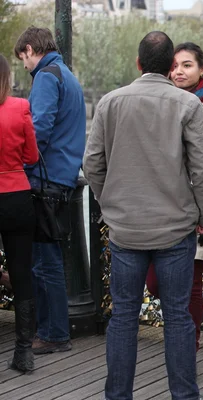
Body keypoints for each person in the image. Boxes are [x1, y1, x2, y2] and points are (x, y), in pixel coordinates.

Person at [83, 31, 203, 400]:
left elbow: (92, 163)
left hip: (125, 230)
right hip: (174, 228)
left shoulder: (110, 103)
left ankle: (118, 395)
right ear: (170, 65)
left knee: (123, 317)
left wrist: (108, 202)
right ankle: (185, 396)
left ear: (139, 64)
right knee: (177, 317)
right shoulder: (186, 105)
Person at [145, 42, 203, 351]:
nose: (179, 71)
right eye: (175, 65)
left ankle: (187, 343)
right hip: (163, 206)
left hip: (198, 209)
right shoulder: (161, 100)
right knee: (155, 282)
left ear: (201, 70)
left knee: (192, 283)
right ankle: (180, 331)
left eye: (187, 65)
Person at [14, 26, 86, 354]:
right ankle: (51, 329)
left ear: (30, 49)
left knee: (44, 261)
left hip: (44, 180)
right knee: (48, 259)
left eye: (23, 59)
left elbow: (37, 130)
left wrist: (20, 165)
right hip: (63, 176)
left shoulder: (46, 76)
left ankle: (55, 333)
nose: (24, 66)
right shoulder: (66, 73)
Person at [0, 54, 39, 373]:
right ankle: (23, 352)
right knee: (22, 271)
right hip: (16, 195)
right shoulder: (19, 108)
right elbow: (31, 155)